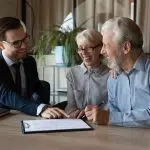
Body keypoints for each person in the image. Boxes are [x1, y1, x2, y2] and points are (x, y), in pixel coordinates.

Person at [85, 17, 150, 127]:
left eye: (106, 45)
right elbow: (113, 111)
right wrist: (97, 112)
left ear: (125, 47)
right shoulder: (114, 77)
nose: (102, 51)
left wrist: (110, 118)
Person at [0, 17, 69, 119]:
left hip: (29, 116)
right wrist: (39, 108)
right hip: (5, 120)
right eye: (16, 43)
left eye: (25, 39)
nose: (24, 46)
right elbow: (6, 95)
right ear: (2, 45)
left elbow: (36, 87)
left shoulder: (29, 61)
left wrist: (45, 106)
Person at [65, 29, 109, 118]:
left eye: (89, 48)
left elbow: (113, 108)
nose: (84, 53)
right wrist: (74, 113)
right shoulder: (72, 73)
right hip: (78, 123)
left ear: (100, 48)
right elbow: (70, 106)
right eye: (80, 48)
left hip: (102, 123)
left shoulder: (111, 74)